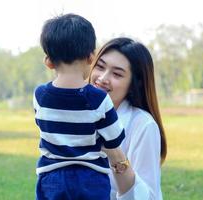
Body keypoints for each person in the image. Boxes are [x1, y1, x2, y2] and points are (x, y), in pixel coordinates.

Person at [33, 14, 132, 200]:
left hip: (51, 177)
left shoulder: (40, 96)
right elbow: (114, 139)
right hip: (90, 178)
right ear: (90, 57)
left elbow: (42, 124)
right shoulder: (99, 98)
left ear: (49, 62)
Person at [90, 37, 167, 200]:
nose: (102, 78)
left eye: (117, 74)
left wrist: (115, 154)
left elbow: (149, 197)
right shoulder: (75, 113)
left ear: (134, 84)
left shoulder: (143, 125)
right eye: (100, 66)